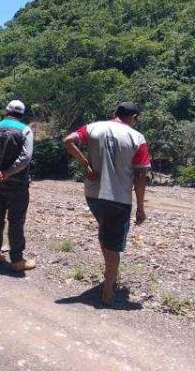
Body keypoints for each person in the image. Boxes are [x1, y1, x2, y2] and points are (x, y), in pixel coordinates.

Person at [63, 102, 150, 305]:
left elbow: (68, 141)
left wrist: (86, 165)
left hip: (93, 194)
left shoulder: (93, 127)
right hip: (119, 197)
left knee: (105, 231)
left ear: (114, 114)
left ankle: (108, 276)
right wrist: (141, 207)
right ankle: (108, 291)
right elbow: (140, 175)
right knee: (113, 246)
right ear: (134, 117)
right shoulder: (137, 137)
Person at [0, 100, 36, 272]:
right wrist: (9, 172)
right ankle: (17, 260)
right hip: (17, 183)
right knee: (16, 221)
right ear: (22, 114)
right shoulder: (25, 130)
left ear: (6, 111)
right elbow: (26, 157)